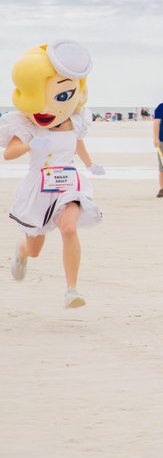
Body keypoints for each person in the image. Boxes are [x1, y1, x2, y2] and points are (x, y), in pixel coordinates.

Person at [3, 41, 104, 308]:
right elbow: (9, 153)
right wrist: (31, 144)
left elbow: (77, 142)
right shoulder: (27, 124)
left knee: (69, 228)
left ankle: (72, 290)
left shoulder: (76, 120)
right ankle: (22, 253)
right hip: (39, 185)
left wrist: (91, 164)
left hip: (68, 181)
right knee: (35, 249)